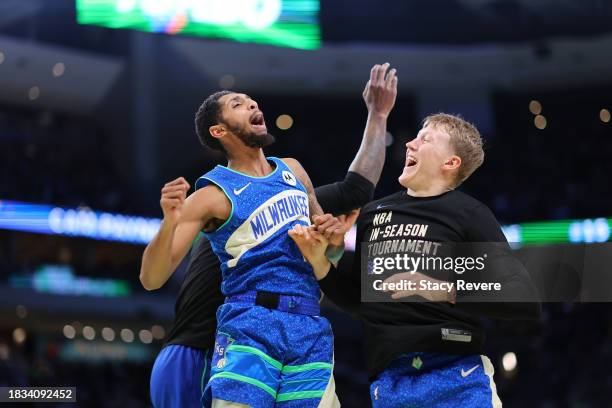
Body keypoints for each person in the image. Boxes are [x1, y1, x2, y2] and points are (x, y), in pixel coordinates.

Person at [141, 63, 398, 408]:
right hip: (249, 323)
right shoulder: (210, 194)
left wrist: (333, 241)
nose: (251, 105)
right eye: (237, 104)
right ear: (218, 131)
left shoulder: (293, 170)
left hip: (309, 323)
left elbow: (325, 251)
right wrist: (168, 223)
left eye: (251, 101)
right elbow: (151, 278)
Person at [289, 113, 541, 407]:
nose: (410, 143)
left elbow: (523, 298)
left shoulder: (469, 214)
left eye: (426, 139)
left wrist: (440, 288)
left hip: (457, 374)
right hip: (390, 379)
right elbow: (361, 302)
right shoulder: (374, 213)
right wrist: (320, 261)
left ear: (451, 163)